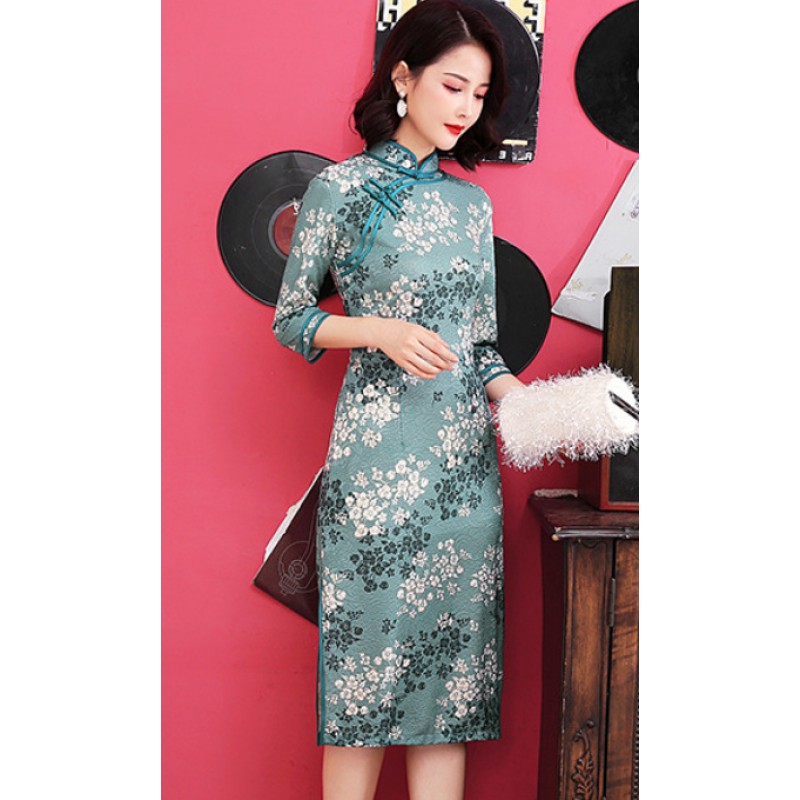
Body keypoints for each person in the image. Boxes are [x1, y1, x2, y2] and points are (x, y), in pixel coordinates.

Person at [272, 1, 527, 798]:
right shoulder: (339, 190)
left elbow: (480, 346)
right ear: (405, 77)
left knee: (448, 702)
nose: (466, 108)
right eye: (454, 85)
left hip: (463, 483)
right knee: (362, 694)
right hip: (376, 473)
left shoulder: (471, 206)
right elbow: (292, 319)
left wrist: (524, 402)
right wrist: (377, 330)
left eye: (480, 95)